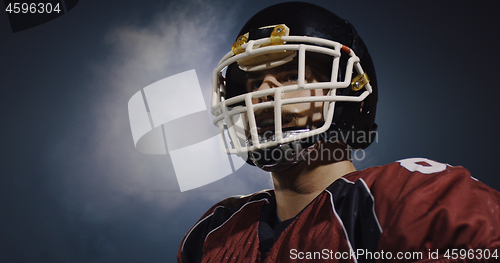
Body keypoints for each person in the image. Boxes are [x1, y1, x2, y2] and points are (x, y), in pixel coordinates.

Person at [177, 2, 500, 262]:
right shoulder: (215, 232)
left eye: (290, 76)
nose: (264, 92)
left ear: (349, 93)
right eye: (253, 82)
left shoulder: (407, 196)